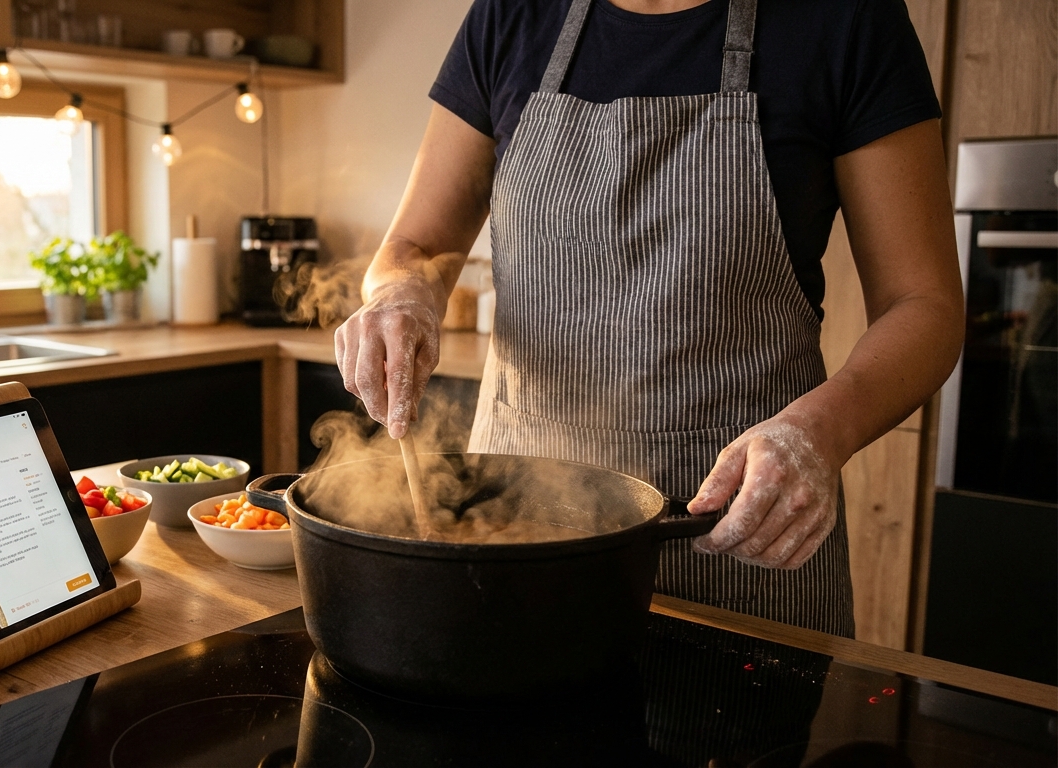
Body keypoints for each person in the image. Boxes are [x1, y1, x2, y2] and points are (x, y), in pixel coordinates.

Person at [333, 0, 964, 635]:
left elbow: (924, 304)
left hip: (738, 541)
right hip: (511, 552)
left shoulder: (848, 19)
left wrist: (822, 431)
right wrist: (400, 295)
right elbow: (413, 248)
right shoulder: (512, 15)